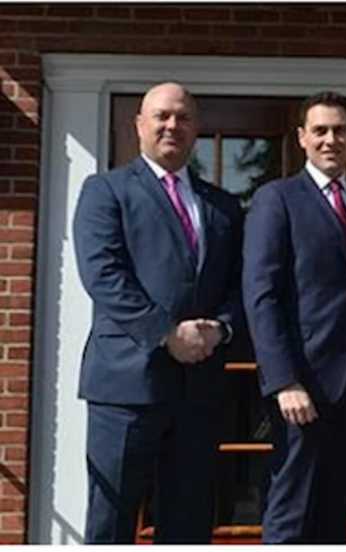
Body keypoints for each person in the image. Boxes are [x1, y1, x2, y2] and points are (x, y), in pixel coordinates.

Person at [73, 82, 244, 543]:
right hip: (127, 386)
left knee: (188, 522)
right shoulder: (105, 191)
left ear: (197, 129)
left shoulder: (222, 205)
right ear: (140, 125)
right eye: (162, 116)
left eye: (183, 117)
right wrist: (167, 333)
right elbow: (104, 275)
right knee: (112, 520)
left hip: (199, 390)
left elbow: (238, 285)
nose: (173, 126)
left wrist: (221, 329)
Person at [242, 91, 346, 543]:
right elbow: (262, 295)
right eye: (320, 131)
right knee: (291, 514)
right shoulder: (278, 199)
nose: (330, 139)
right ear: (302, 138)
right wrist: (283, 380)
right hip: (302, 385)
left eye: (339, 130)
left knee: (335, 514)